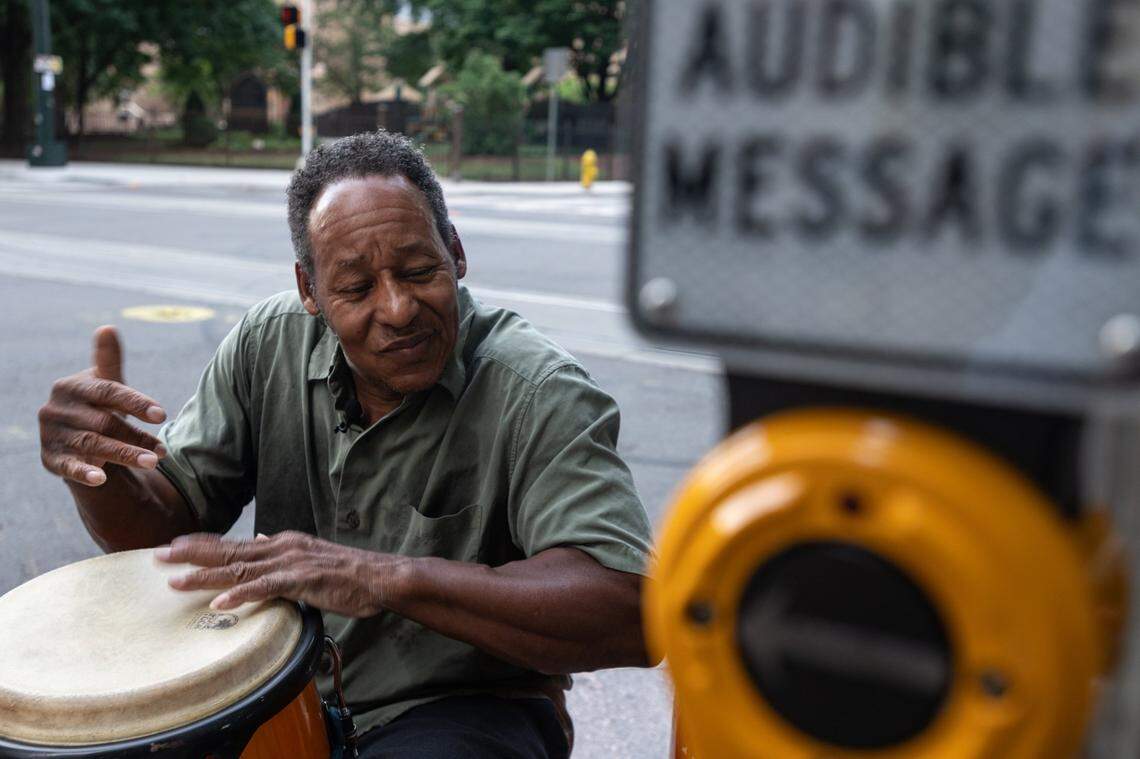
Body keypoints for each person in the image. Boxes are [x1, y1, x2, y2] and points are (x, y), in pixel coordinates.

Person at [37, 130, 655, 758]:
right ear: (310, 291)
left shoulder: (538, 390)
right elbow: (160, 530)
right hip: (282, 690)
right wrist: (98, 466)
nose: (398, 308)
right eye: (356, 289)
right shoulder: (266, 343)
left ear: (457, 253)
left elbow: (632, 611)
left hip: (468, 707)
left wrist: (388, 579)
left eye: (419, 271)